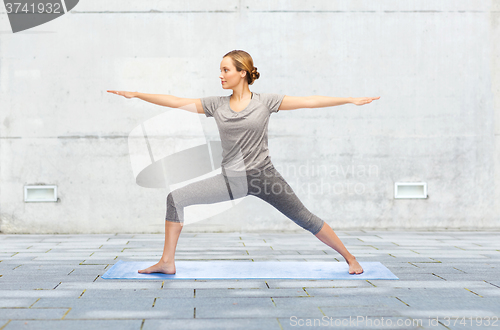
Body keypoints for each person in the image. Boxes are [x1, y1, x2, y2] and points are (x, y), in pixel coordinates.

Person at [108, 50, 380, 275]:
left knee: (305, 219)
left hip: (265, 178)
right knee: (175, 198)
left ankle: (350, 258)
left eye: (226, 70)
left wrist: (349, 99)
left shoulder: (266, 102)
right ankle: (167, 262)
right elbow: (178, 101)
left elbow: (309, 101)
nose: (221, 75)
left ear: (243, 73)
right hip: (230, 181)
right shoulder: (216, 105)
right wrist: (137, 94)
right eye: (221, 70)